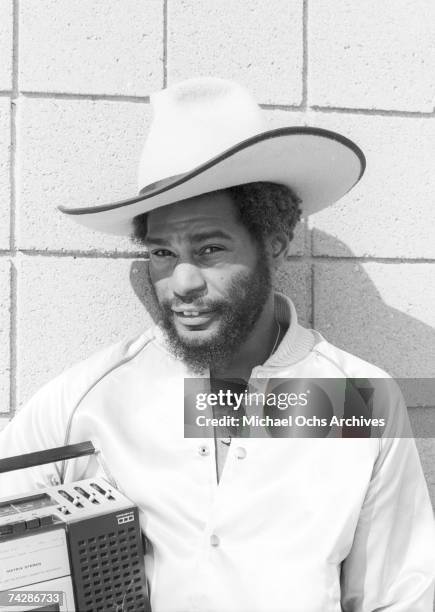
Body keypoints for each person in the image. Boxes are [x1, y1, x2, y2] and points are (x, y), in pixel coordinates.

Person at [0, 77, 434, 611]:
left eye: (208, 248)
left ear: (273, 244)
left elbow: (401, 593)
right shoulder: (90, 400)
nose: (182, 283)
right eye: (162, 253)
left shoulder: (358, 400)